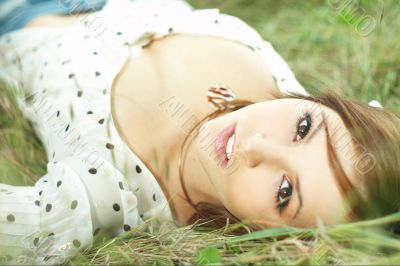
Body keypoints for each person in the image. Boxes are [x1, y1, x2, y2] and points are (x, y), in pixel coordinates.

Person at [0, 0, 399, 264]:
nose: (256, 145)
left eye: (283, 192)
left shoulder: (104, 192)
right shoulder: (275, 83)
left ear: (274, 239)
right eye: (304, 127)